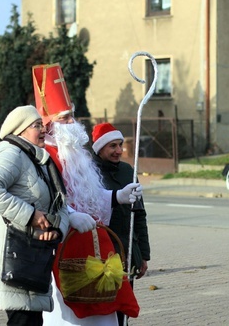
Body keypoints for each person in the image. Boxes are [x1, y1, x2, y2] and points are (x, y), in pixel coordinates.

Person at [32, 63, 142, 326]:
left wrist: (117, 197)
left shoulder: (77, 154)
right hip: (64, 249)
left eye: (72, 116)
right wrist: (70, 215)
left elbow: (90, 198)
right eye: (64, 118)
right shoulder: (44, 158)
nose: (72, 123)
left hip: (95, 246)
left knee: (105, 307)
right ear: (48, 125)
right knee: (70, 315)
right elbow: (43, 201)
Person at [0, 105, 70, 326]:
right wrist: (30, 216)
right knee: (23, 320)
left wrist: (56, 230)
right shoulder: (12, 153)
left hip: (34, 256)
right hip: (17, 256)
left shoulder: (38, 159)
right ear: (20, 131)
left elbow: (60, 204)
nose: (43, 129)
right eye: (36, 125)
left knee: (30, 321)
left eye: (42, 124)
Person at [91, 122, 151, 326]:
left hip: (127, 251)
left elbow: (139, 215)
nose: (118, 151)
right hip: (101, 253)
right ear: (100, 148)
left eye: (120, 145)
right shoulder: (89, 173)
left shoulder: (127, 170)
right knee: (104, 309)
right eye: (112, 146)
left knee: (123, 309)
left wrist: (143, 254)